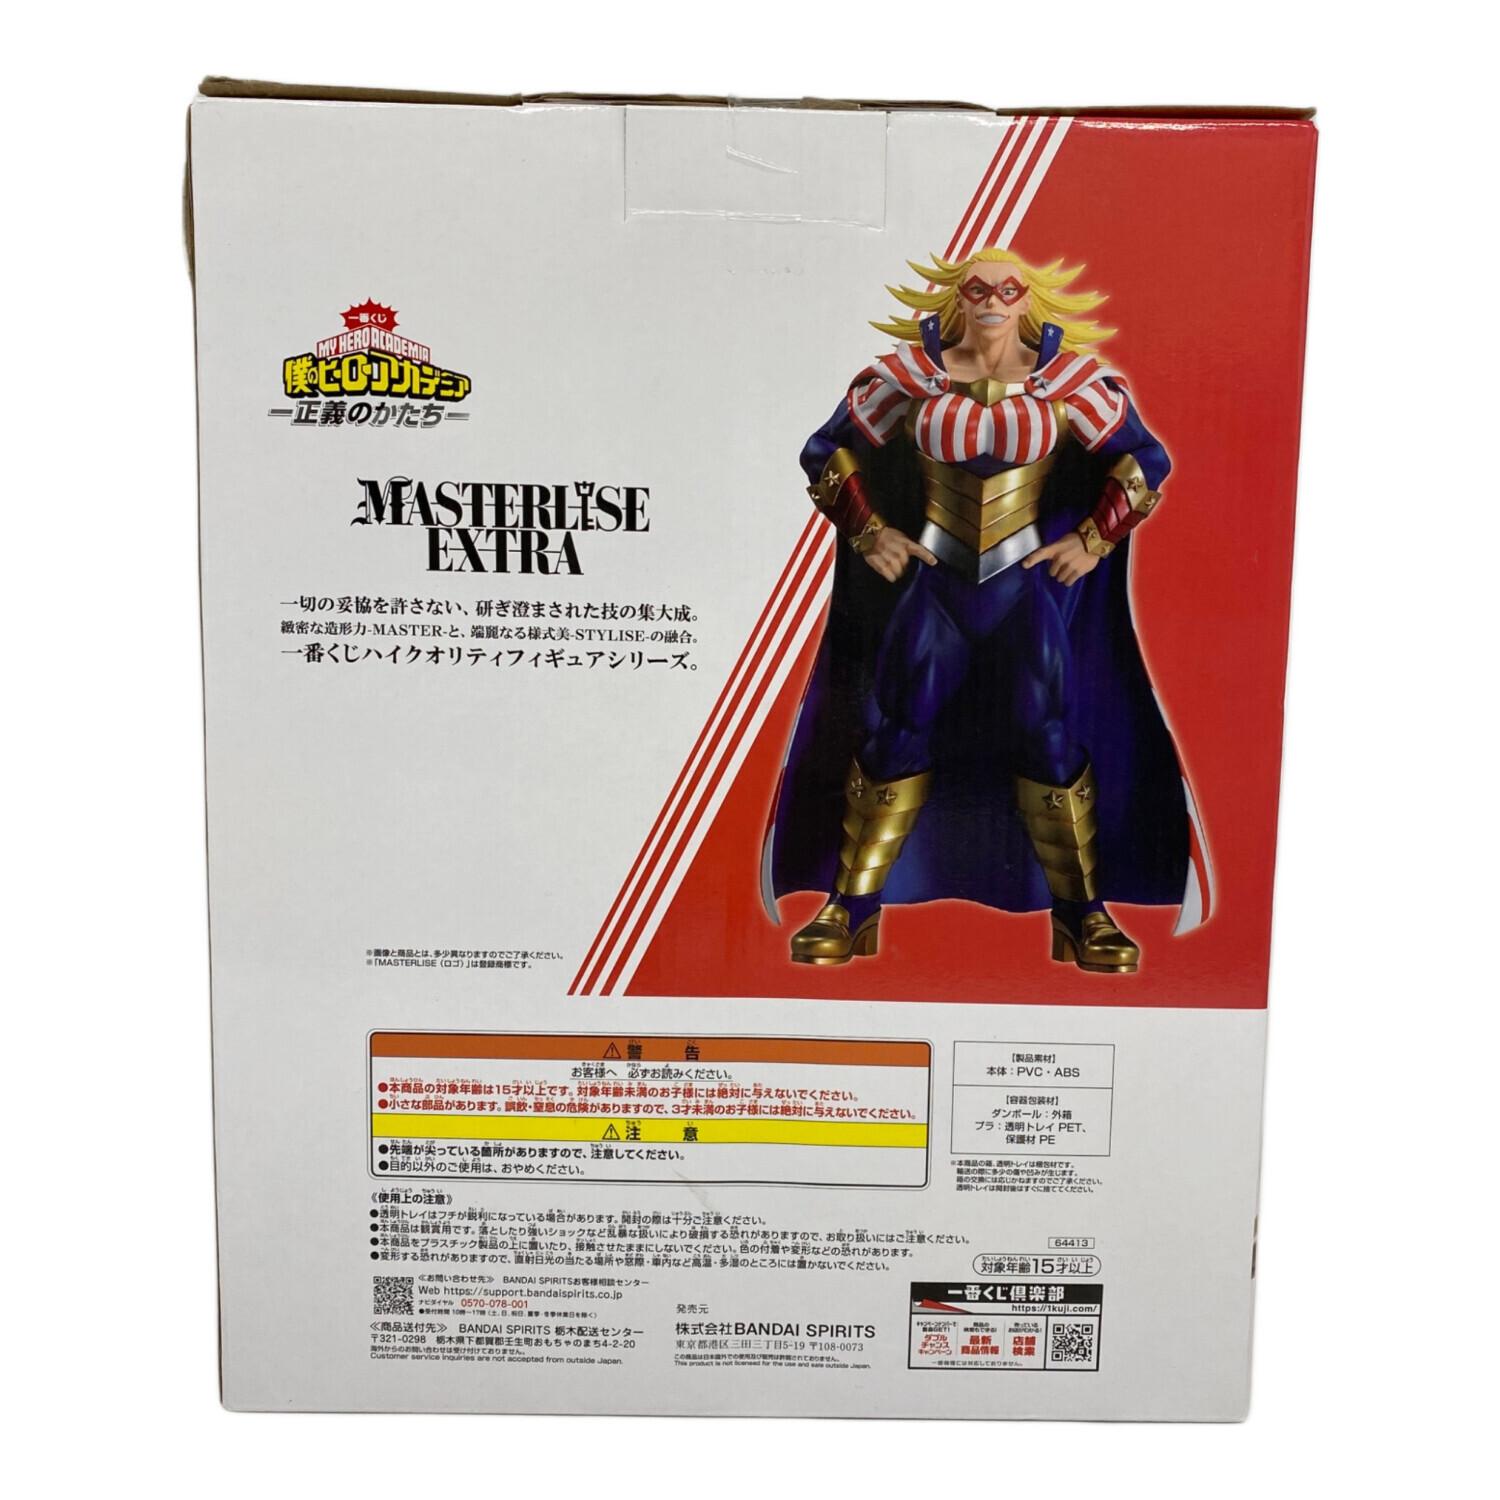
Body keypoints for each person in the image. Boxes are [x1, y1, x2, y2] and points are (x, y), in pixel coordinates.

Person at [762, 246, 1212, 970]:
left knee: (1049, 737)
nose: (993, 300)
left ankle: (1082, 915)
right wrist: (869, 530)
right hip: (935, 586)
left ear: (1029, 298)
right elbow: (825, 452)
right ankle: (851, 906)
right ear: (957, 296)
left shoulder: (1070, 383)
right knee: (895, 732)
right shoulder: (908, 377)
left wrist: (1094, 537)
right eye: (978, 288)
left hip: (1021, 589)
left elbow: (1145, 461)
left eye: (1008, 289)